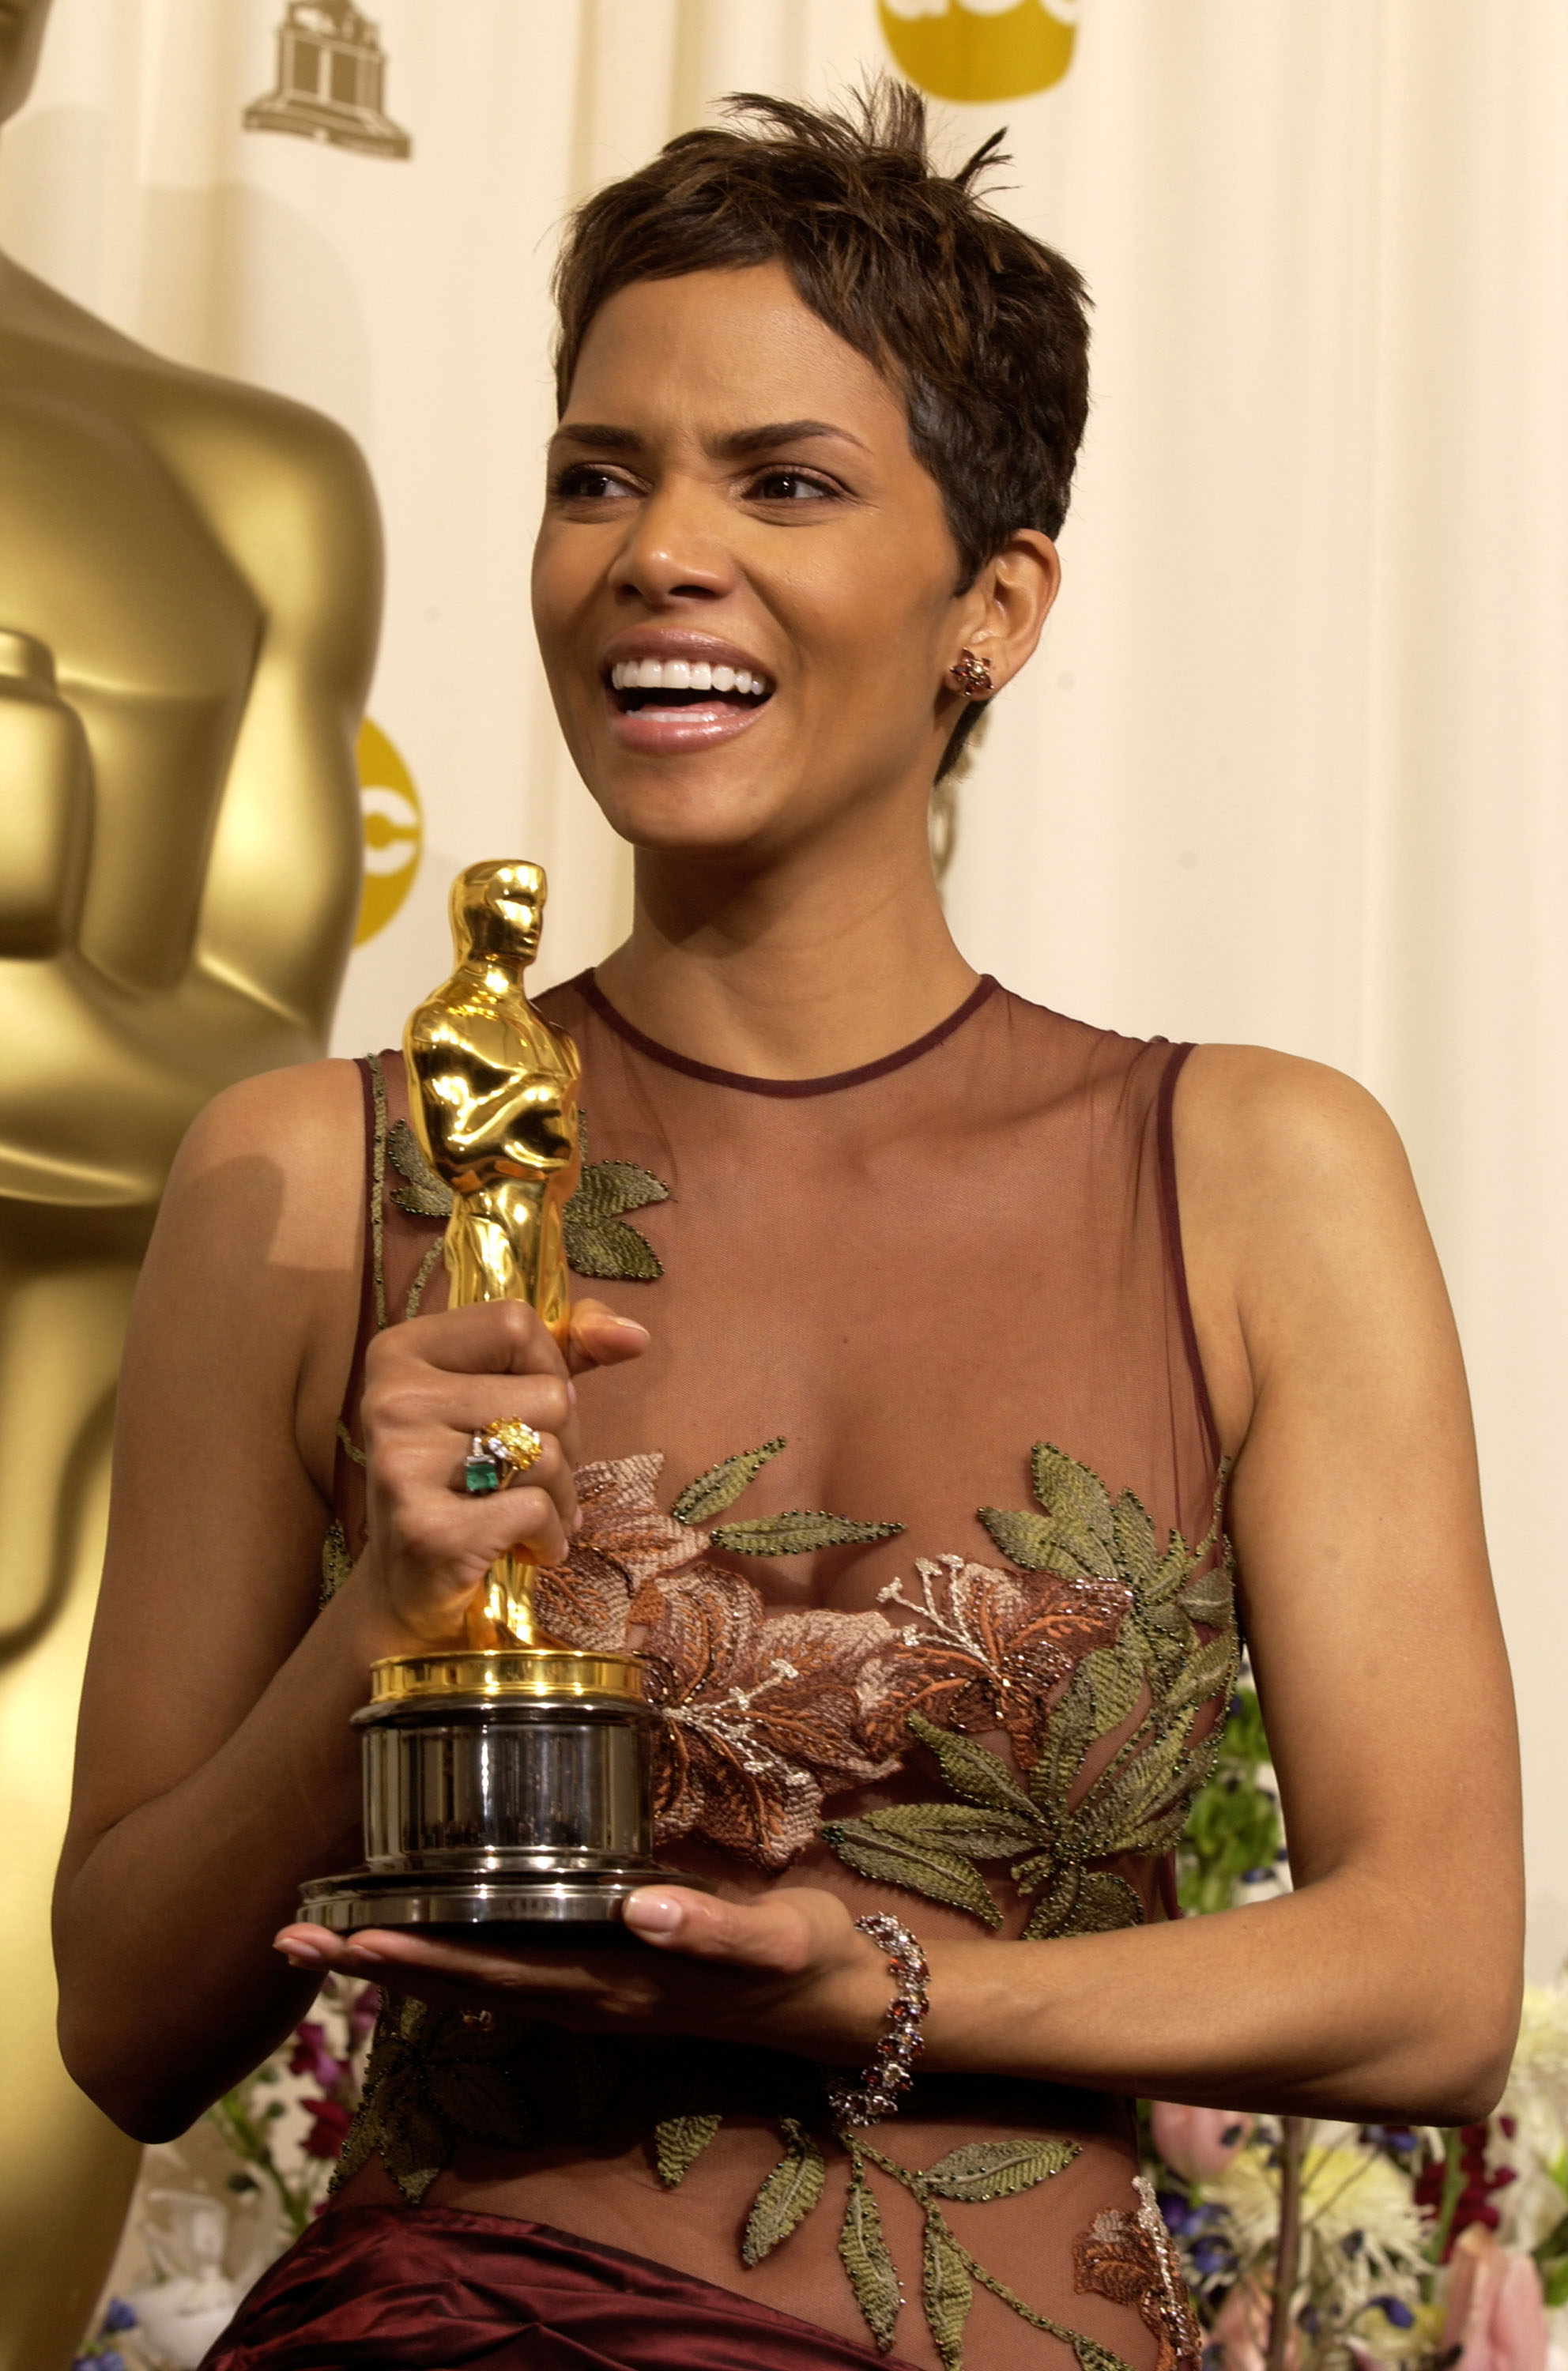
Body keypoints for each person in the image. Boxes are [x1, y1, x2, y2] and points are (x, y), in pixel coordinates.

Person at [54, 85, 1522, 2371]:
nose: (658, 549)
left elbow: (1434, 1972)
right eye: (597, 474)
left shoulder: (1257, 1172)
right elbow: (126, 2025)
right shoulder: (303, 1169)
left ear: (994, 609)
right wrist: (392, 1610)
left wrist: (902, 1985)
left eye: (786, 480)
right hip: (459, 2327)